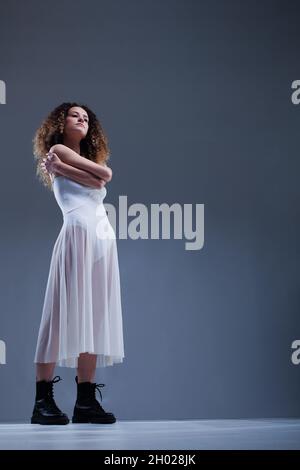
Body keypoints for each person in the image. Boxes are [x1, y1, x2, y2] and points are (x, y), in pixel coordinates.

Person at [31, 102, 125, 425]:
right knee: (57, 317)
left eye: (86, 117)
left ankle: (85, 402)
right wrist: (64, 168)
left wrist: (62, 169)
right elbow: (103, 178)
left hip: (100, 243)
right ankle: (41, 402)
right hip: (76, 237)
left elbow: (102, 178)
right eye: (75, 115)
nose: (82, 118)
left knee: (94, 321)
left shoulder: (72, 160)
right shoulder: (57, 149)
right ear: (61, 122)